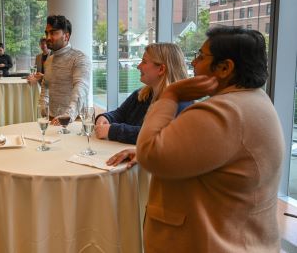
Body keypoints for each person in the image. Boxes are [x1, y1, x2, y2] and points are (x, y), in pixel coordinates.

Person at [107, 26, 284, 252]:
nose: (193, 63)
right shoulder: (256, 101)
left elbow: (151, 154)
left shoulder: (223, 112)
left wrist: (170, 96)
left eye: (200, 56)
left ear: (224, 67)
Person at [94, 43, 191, 144]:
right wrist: (105, 117)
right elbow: (120, 114)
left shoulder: (180, 104)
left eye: (144, 62)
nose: (138, 66)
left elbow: (157, 136)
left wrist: (113, 131)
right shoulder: (141, 94)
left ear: (161, 69)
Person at [40, 15, 91, 123]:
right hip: (51, 119)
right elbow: (46, 85)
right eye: (47, 33)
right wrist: (43, 107)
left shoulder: (80, 58)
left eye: (53, 33)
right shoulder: (49, 60)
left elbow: (81, 88)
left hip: (75, 119)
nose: (48, 37)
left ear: (66, 36)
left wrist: (68, 115)